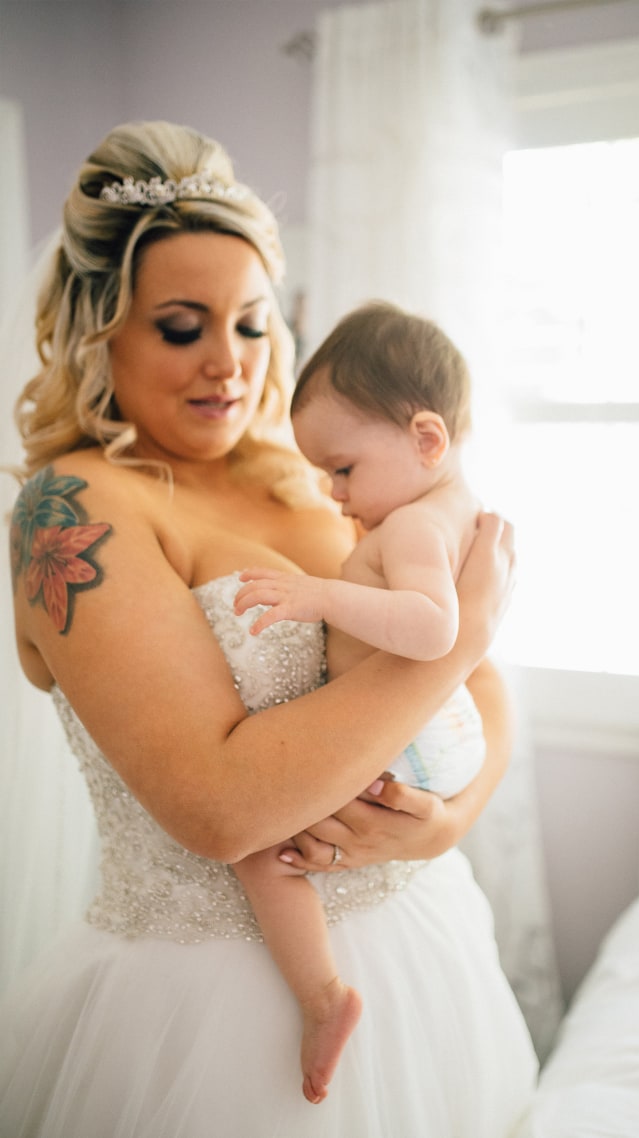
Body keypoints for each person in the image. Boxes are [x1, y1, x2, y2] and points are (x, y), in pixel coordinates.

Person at [0, 120, 537, 1138]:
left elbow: (484, 689)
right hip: (209, 1011)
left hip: (421, 943)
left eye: (250, 325)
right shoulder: (74, 507)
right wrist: (456, 641)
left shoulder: (318, 473)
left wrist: (453, 817)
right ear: (99, 332)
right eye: (180, 327)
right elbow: (216, 809)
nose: (227, 366)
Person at [233, 301, 489, 1104]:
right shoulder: (451, 508)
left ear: (425, 439)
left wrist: (322, 596)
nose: (336, 494)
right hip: (447, 733)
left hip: (409, 741)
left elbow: (434, 628)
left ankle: (323, 996)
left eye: (343, 469)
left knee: (249, 839)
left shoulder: (412, 524)